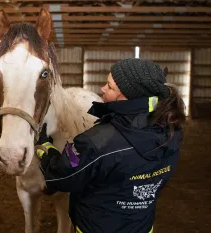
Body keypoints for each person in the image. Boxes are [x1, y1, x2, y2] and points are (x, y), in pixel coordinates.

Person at [36, 58, 186, 233]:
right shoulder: (171, 129)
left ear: (124, 96)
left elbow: (59, 176)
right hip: (142, 227)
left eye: (109, 86)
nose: (102, 89)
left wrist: (45, 146)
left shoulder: (97, 141)